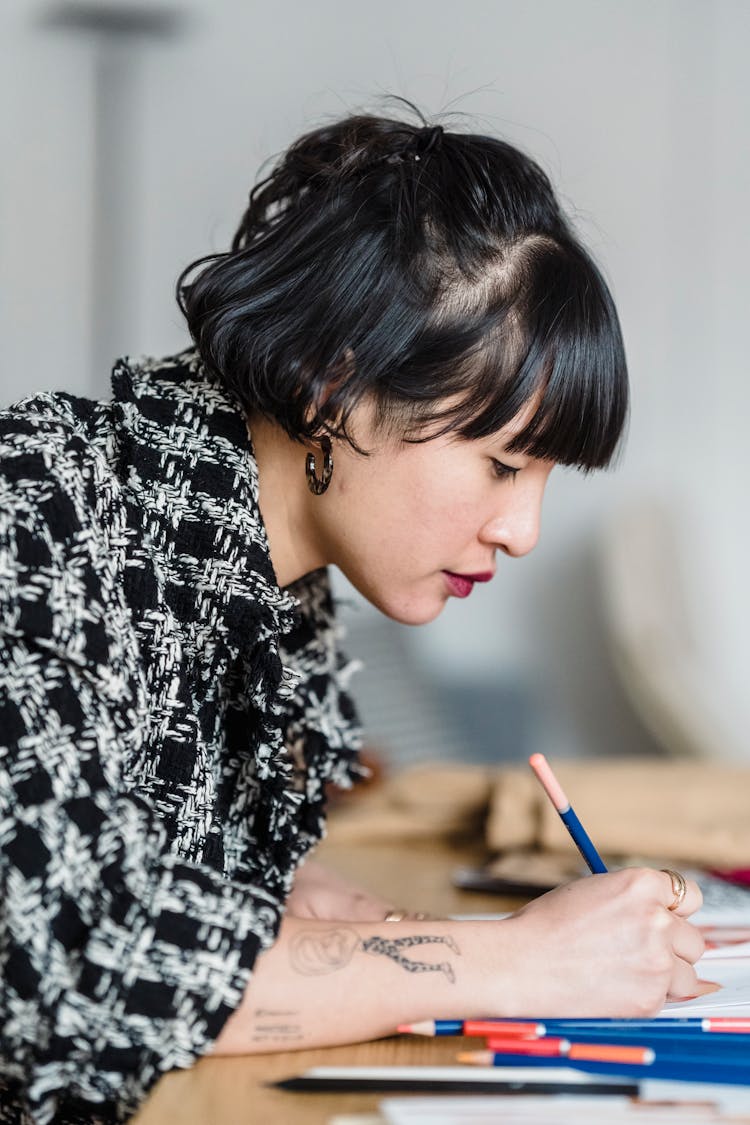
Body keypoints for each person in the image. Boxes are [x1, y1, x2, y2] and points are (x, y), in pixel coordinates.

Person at [0, 109, 710, 1124]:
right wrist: (514, 959)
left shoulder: (278, 572)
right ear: (337, 385)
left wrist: (308, 915)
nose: (524, 531)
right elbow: (74, 971)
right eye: (503, 463)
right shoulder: (38, 509)